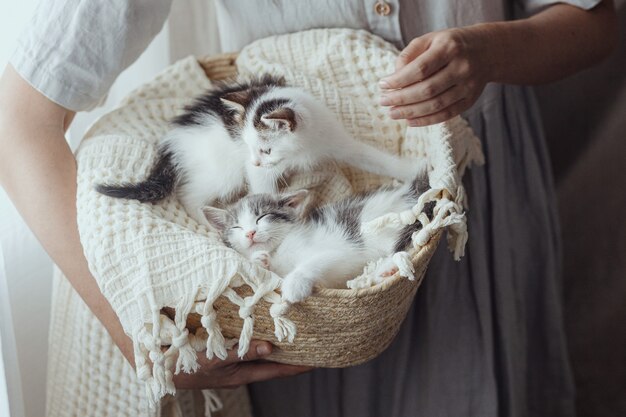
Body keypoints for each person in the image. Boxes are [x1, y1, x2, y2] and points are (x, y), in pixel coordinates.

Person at [0, 1, 617, 416]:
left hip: (471, 213)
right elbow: (19, 120)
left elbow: (597, 22)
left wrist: (491, 52)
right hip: (293, 280)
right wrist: (139, 333)